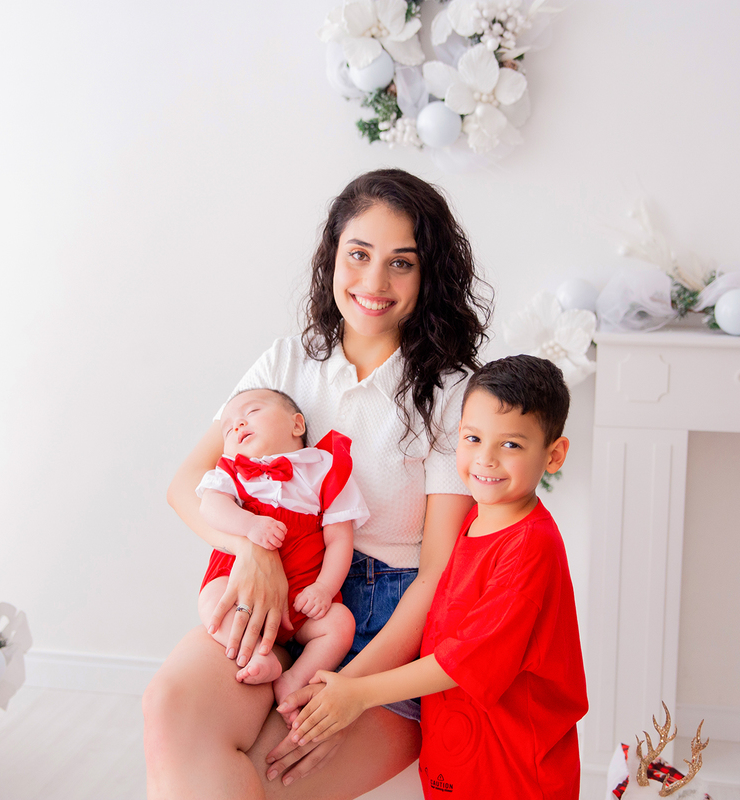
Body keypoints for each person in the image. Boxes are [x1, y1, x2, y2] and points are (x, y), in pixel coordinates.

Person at [143, 168, 490, 799]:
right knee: (170, 708)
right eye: (358, 255)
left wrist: (357, 690)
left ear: (429, 275)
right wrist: (253, 550)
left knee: (262, 774)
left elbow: (441, 575)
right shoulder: (286, 362)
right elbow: (188, 483)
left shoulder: (453, 393)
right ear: (332, 255)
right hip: (275, 595)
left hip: (387, 631)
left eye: (401, 263)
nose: (374, 283)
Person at [283, 355, 588, 800]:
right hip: (460, 759)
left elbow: (466, 662)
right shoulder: (473, 523)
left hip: (515, 772)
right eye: (473, 438)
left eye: (512, 445)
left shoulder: (529, 547)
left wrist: (358, 693)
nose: (485, 459)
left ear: (554, 455)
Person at [198, 387, 367, 707]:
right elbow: (210, 508)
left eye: (252, 413)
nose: (237, 425)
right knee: (210, 601)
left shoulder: (325, 467)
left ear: (297, 425)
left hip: (302, 590)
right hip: (241, 582)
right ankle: (257, 654)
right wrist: (250, 526)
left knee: (340, 624)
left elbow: (339, 538)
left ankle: (294, 678)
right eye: (228, 427)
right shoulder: (231, 471)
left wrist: (324, 588)